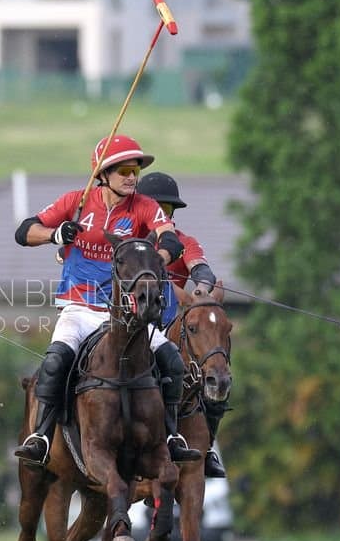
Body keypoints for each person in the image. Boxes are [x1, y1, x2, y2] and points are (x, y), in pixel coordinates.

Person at [12, 135, 213, 467]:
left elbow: (171, 240)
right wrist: (55, 235)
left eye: (135, 171)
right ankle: (42, 437)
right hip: (78, 306)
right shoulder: (76, 201)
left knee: (172, 360)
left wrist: (156, 259)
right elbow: (24, 232)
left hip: (125, 313)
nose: (132, 178)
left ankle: (172, 436)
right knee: (56, 361)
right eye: (124, 171)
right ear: (103, 174)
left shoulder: (144, 206)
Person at [136, 171, 228, 479]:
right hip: (126, 321)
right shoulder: (127, 242)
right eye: (155, 209)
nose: (162, 216)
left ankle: (207, 447)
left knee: (215, 371)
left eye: (167, 210)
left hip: (170, 324)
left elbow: (202, 270)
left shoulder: (184, 242)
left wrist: (200, 288)